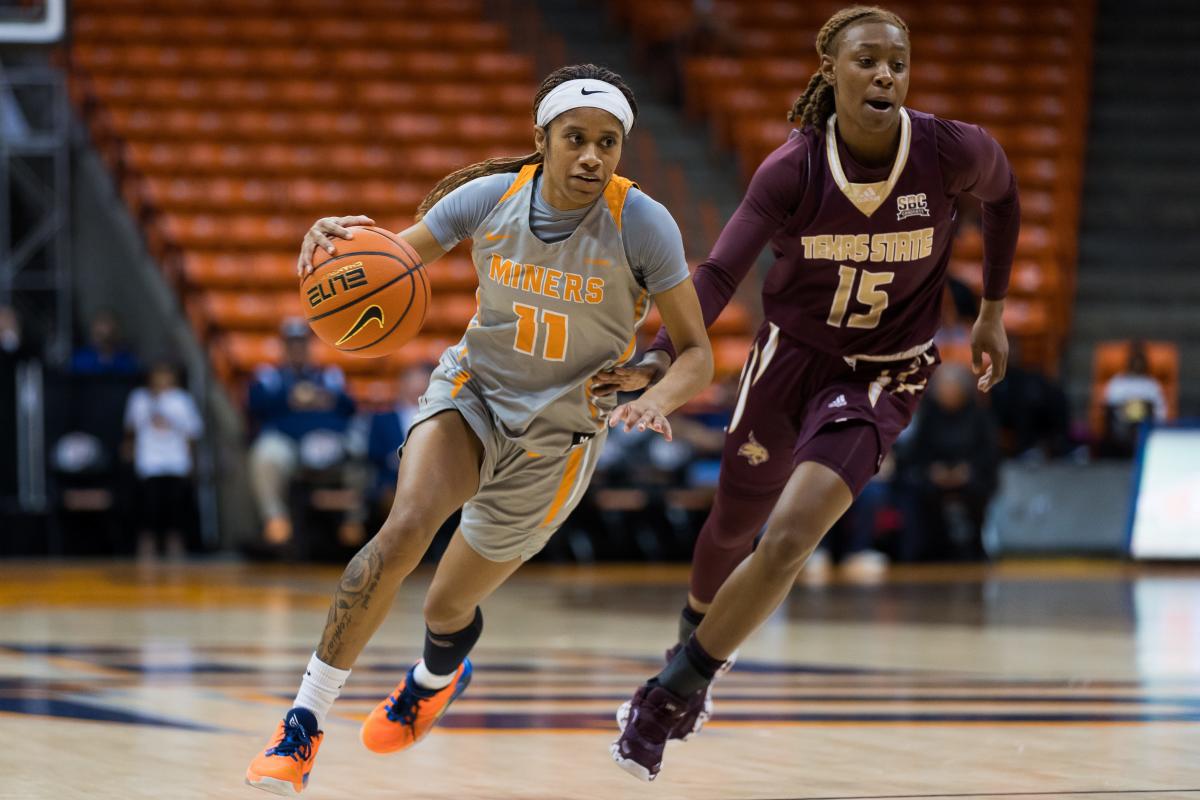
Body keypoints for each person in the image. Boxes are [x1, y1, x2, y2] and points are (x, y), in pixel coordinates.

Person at [245, 63, 712, 795]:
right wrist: (333, 245)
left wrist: (661, 393)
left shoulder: (643, 223)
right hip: (474, 395)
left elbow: (697, 354)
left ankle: (435, 676)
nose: (592, 155)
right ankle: (302, 725)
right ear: (542, 139)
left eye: (608, 143)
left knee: (447, 606)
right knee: (402, 533)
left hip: (556, 440)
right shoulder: (492, 197)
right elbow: (392, 261)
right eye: (575, 138)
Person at [610, 6, 1018, 781]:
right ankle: (693, 636)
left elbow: (1006, 198)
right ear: (830, 70)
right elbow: (722, 273)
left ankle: (668, 698)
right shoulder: (793, 167)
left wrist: (991, 312)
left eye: (897, 61)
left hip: (886, 371)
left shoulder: (950, 149)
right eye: (867, 60)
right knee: (734, 524)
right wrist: (661, 351)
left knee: (791, 538)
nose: (885, 75)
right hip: (789, 358)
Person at [246, 318, 357, 548]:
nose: (297, 349)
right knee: (266, 455)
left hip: (326, 439)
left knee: (359, 451)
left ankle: (354, 520)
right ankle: (275, 517)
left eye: (302, 344)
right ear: (284, 347)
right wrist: (289, 399)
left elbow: (350, 407)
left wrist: (325, 398)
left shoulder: (328, 376)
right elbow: (255, 405)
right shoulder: (270, 375)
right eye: (292, 344)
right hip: (286, 440)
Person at [897, 363, 999, 561]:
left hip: (971, 475)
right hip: (935, 476)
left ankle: (975, 547)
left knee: (977, 491)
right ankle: (928, 549)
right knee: (918, 492)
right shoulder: (929, 416)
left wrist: (967, 471)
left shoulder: (979, 416)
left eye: (952, 387)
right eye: (944, 388)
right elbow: (917, 452)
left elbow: (989, 453)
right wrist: (932, 471)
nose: (948, 392)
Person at [122, 360, 203, 560]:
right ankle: (148, 544)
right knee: (149, 504)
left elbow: (192, 433)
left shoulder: (182, 400)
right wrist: (129, 449)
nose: (162, 379)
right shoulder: (139, 399)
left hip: (175, 461)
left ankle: (174, 543)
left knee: (175, 505)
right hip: (149, 461)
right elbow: (130, 429)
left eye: (166, 374)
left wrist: (191, 460)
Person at [1099, 340, 1167, 458]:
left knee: (1142, 409)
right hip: (1121, 422)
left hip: (1145, 422)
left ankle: (1138, 443)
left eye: (1140, 361)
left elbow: (1161, 410)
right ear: (1128, 362)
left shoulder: (1151, 384)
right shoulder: (1118, 381)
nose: (1137, 364)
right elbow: (1108, 405)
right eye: (1134, 361)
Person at [70, 308, 139, 376]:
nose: (103, 328)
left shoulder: (126, 361)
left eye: (107, 323)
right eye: (100, 323)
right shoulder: (80, 359)